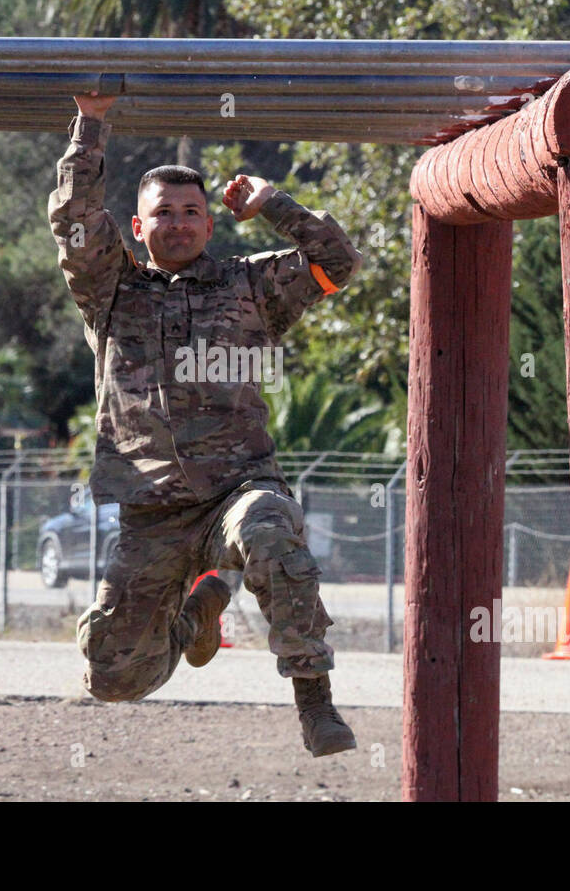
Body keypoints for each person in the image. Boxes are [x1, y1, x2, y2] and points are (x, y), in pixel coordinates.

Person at [46, 90, 363, 756]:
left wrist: (273, 205)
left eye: (193, 212)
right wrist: (92, 123)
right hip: (152, 509)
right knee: (112, 677)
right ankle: (196, 616)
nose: (180, 223)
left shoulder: (250, 288)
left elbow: (338, 263)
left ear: (211, 226)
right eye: (164, 213)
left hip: (237, 489)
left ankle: (315, 700)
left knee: (271, 535)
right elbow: (73, 219)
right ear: (139, 228)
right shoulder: (109, 295)